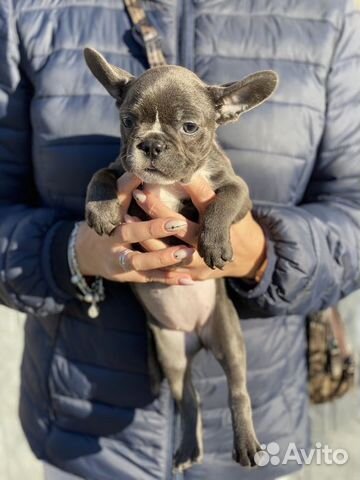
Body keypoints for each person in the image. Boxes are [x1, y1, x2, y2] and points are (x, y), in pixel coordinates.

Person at [0, 0, 359, 479]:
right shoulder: (31, 11)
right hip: (87, 435)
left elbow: (349, 208)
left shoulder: (329, 17)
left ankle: (241, 425)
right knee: (176, 376)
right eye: (132, 123)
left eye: (187, 127)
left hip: (265, 425)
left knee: (234, 376)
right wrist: (74, 252)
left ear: (227, 110)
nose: (149, 140)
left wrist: (260, 254)